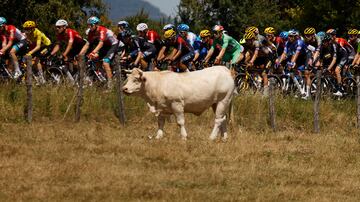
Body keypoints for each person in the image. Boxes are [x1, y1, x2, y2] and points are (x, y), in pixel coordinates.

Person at [50, 19, 89, 84]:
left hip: (83, 45)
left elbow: (69, 45)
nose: (57, 28)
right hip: (75, 47)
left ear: (64, 27)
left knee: (78, 58)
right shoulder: (60, 34)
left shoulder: (70, 32)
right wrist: (51, 54)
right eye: (56, 27)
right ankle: (73, 76)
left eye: (59, 27)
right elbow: (58, 46)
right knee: (66, 60)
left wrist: (64, 54)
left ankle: (84, 76)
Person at [87, 16, 119, 87]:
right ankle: (104, 76)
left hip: (113, 45)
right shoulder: (91, 32)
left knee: (105, 62)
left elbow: (101, 43)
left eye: (91, 25)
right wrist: (82, 53)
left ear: (96, 24)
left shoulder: (102, 30)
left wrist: (93, 52)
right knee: (95, 59)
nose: (89, 27)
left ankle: (110, 85)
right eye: (88, 25)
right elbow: (88, 44)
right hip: (105, 46)